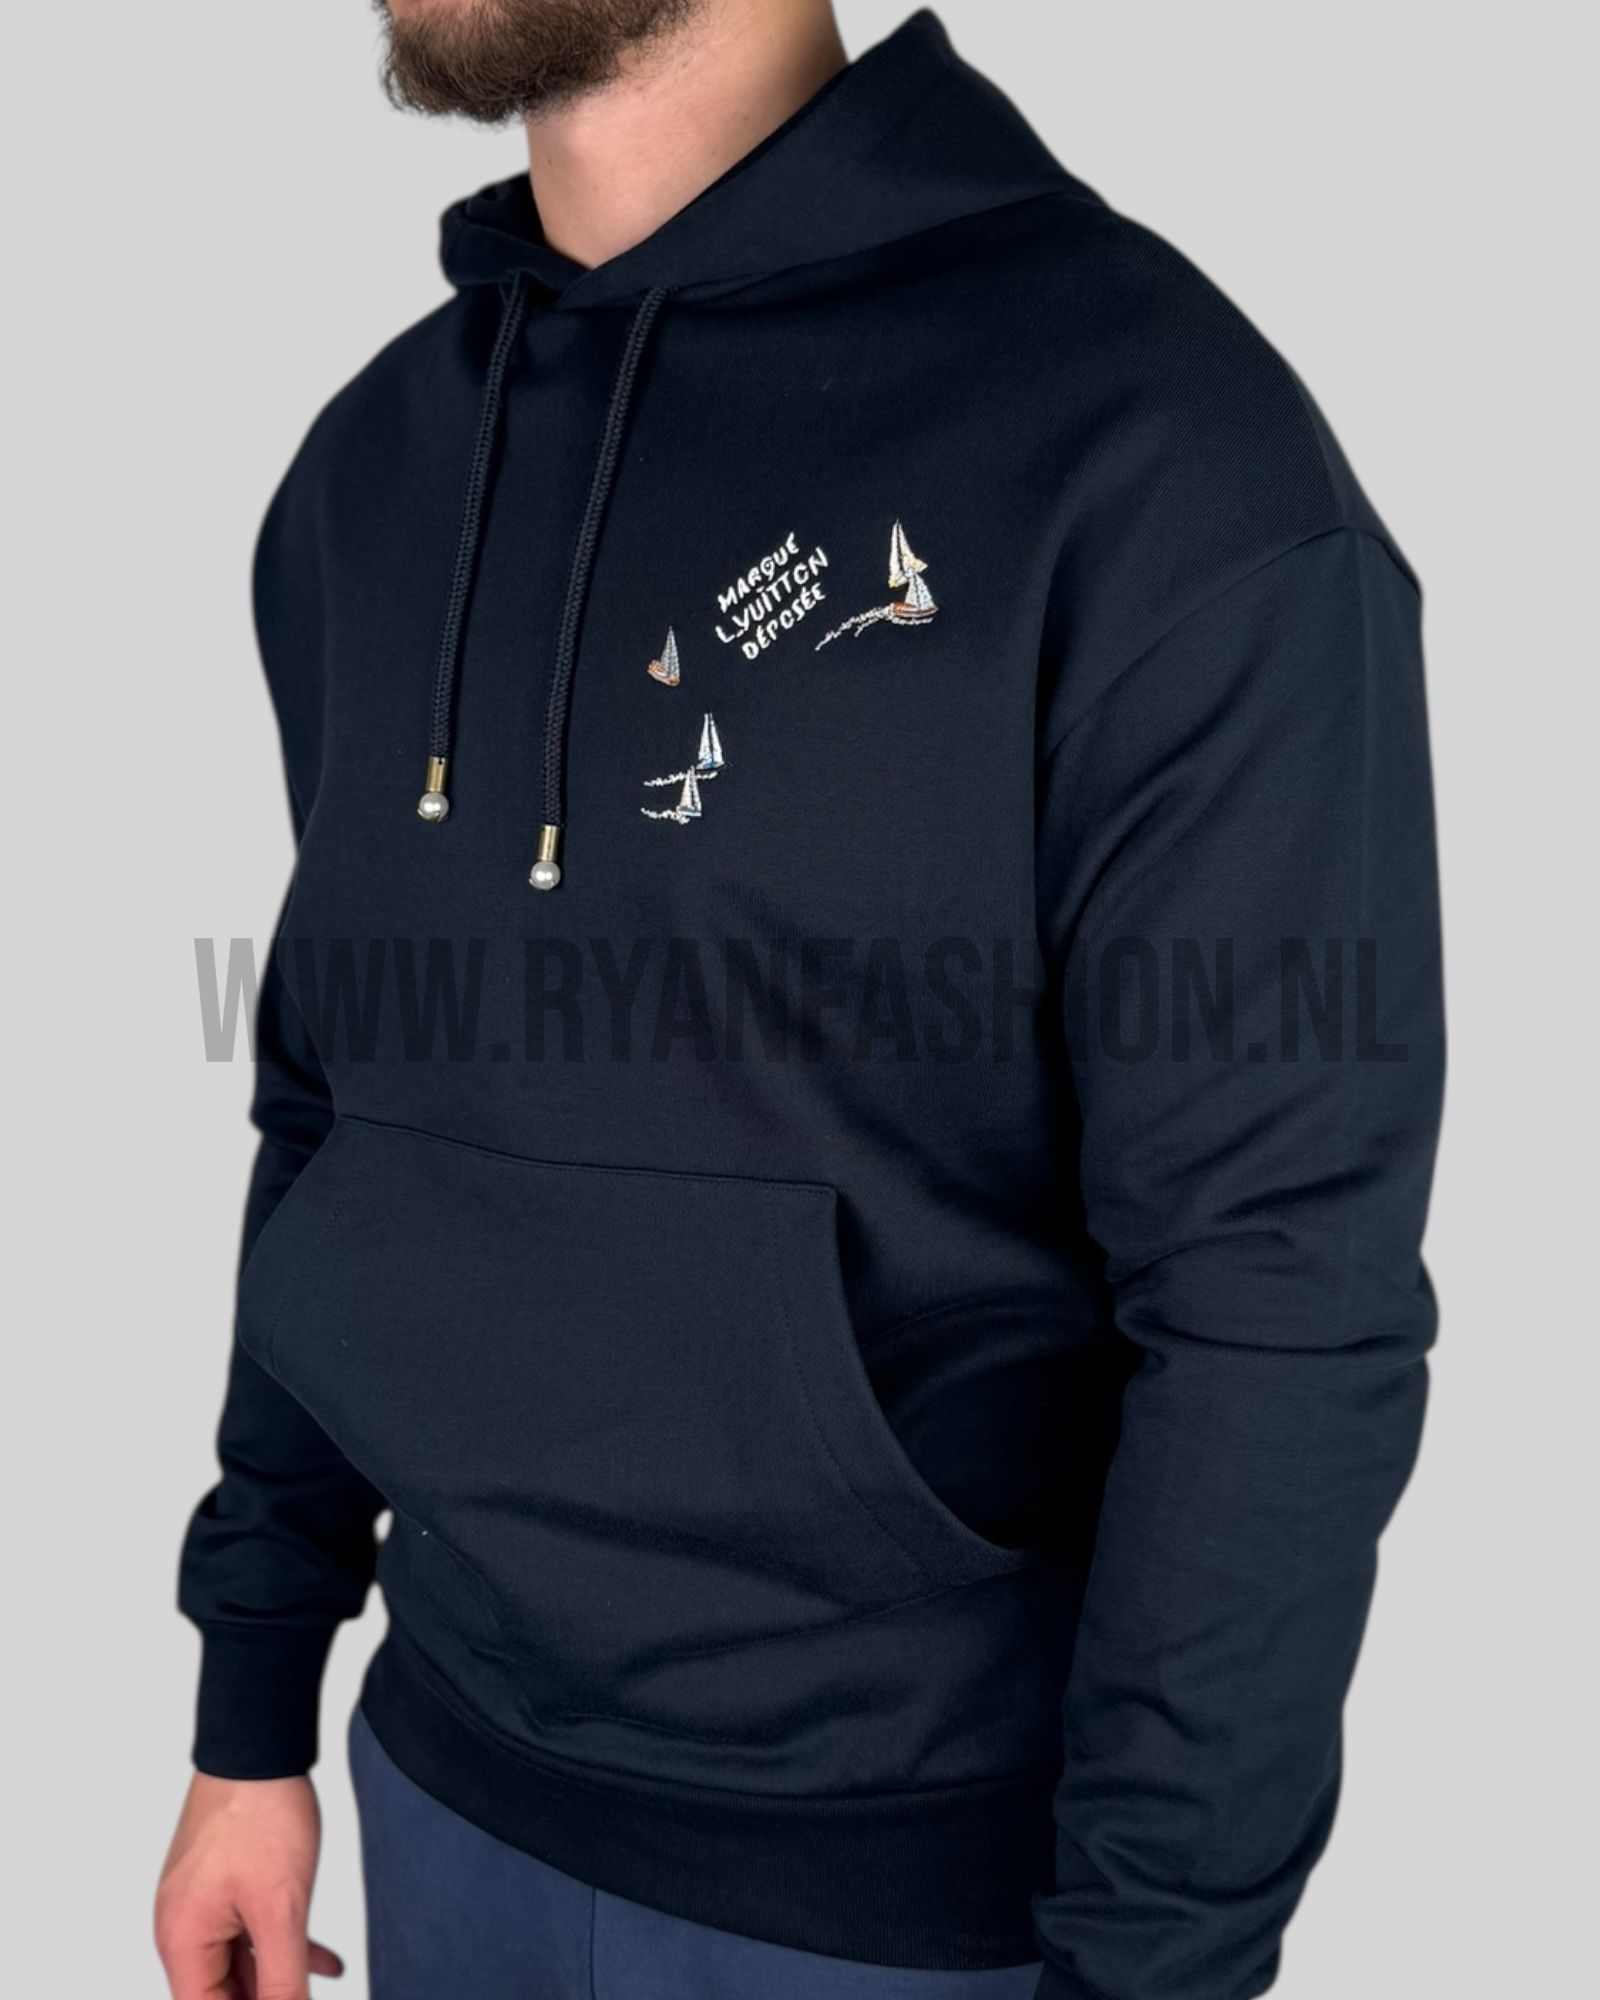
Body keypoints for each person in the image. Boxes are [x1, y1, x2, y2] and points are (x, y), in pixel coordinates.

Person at [155, 3, 1445, 1997]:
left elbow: (1275, 1303)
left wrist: (1153, 1964)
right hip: (441, 1790)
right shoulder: (378, 467)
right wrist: (253, 1707)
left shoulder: (1157, 450)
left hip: (903, 1900)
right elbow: (334, 1109)